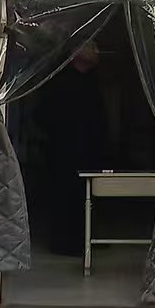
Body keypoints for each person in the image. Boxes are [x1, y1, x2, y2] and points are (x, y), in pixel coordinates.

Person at [37, 41, 108, 258]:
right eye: (92, 47)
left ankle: (86, 237)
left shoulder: (92, 81)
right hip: (64, 149)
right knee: (65, 194)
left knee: (87, 195)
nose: (97, 52)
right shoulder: (60, 82)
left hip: (89, 148)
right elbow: (42, 114)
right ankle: (65, 242)